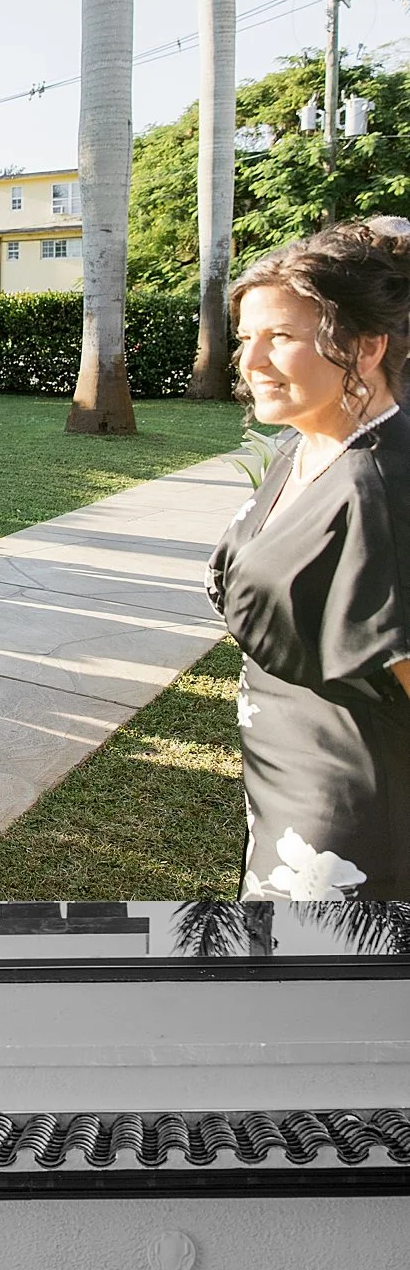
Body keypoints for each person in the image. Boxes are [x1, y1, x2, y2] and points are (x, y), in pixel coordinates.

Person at [210, 220, 410, 900]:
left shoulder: (380, 492)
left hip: (346, 827)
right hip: (286, 793)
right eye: (246, 340)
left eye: (282, 338)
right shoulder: (309, 441)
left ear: (368, 345)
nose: (252, 362)